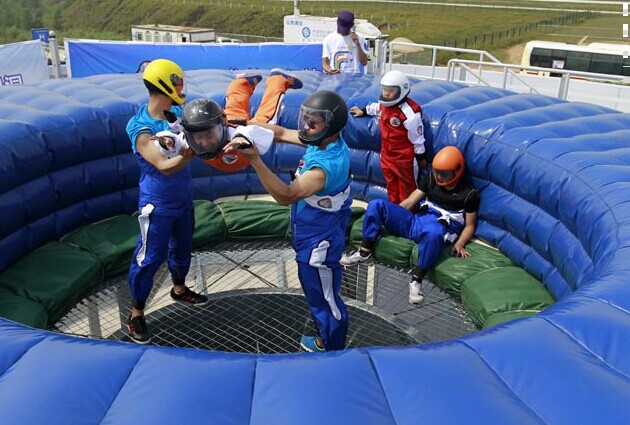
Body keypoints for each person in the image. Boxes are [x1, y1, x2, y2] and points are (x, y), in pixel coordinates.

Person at [223, 90, 352, 353]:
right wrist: (241, 129)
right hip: (312, 234)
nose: (305, 127)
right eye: (306, 119)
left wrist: (255, 160)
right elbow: (280, 133)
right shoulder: (322, 140)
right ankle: (324, 338)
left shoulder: (325, 166)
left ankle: (334, 351)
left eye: (312, 123)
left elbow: (286, 195)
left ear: (331, 127)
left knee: (325, 301)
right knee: (318, 296)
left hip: (319, 245)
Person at [125, 58, 208, 344]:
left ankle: (179, 288)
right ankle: (136, 313)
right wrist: (189, 154)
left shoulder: (176, 116)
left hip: (183, 199)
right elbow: (162, 164)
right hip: (157, 205)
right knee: (149, 258)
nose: (180, 88)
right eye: (176, 82)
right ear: (163, 85)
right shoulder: (140, 127)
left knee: (182, 247)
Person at [340, 146, 480, 304]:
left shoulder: (469, 194)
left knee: (434, 232)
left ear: (457, 171)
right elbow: (410, 201)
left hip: (438, 229)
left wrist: (460, 243)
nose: (439, 177)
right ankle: (364, 253)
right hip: (417, 221)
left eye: (444, 174)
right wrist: (394, 216)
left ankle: (416, 280)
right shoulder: (430, 180)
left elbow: (470, 225)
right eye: (437, 171)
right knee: (376, 205)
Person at [154, 69, 303, 171]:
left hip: (238, 129)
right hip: (229, 122)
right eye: (199, 137)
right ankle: (241, 83)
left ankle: (278, 81)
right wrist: (168, 141)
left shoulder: (234, 133)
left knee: (266, 120)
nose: (205, 143)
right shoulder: (191, 137)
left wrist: (242, 138)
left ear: (221, 127)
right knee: (234, 107)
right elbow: (174, 139)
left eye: (209, 135)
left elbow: (249, 133)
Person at [350, 70, 426, 204]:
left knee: (407, 188)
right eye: (385, 89)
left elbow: (417, 139)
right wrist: (363, 110)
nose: (386, 93)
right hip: (387, 155)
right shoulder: (385, 105)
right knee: (391, 185)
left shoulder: (410, 113)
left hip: (404, 159)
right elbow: (376, 107)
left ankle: (406, 216)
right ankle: (393, 211)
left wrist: (420, 157)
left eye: (391, 90)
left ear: (402, 90)